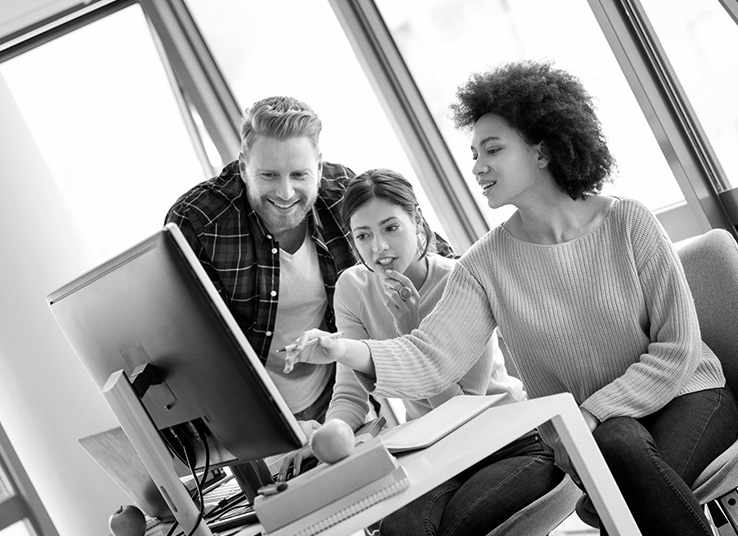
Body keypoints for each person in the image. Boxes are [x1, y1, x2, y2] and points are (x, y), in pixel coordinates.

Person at [284, 61, 738, 536]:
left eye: (493, 149)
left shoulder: (629, 223)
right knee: (619, 451)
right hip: (596, 432)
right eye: (474, 152)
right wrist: (341, 347)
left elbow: (678, 349)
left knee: (618, 454)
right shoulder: (486, 263)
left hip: (688, 394)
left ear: (542, 150)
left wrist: (590, 412)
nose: (478, 166)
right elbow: (433, 356)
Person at [280, 168, 562, 535]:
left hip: (508, 441)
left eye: (390, 228)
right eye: (363, 235)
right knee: (400, 528)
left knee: (458, 526)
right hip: (436, 451)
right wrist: (325, 438)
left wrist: (410, 330)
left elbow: (461, 410)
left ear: (417, 221)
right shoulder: (352, 287)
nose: (378, 247)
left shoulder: (460, 279)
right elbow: (350, 393)